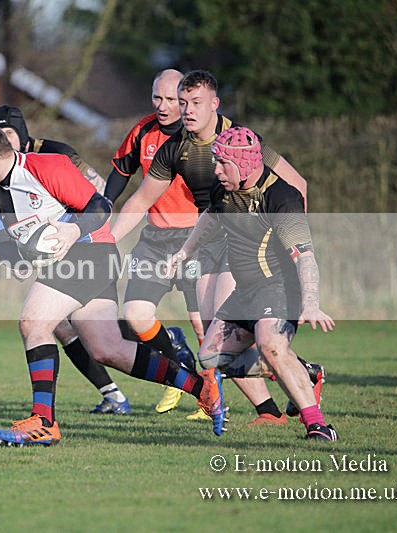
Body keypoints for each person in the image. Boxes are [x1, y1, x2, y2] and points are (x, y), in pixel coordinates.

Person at [0, 122, 226, 445]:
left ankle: (43, 422)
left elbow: (99, 206)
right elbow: (1, 243)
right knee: (107, 349)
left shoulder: (46, 166)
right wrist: (16, 262)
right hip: (69, 262)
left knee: (33, 323)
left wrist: (72, 231)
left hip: (90, 251)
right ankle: (202, 388)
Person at [111, 69, 322, 426]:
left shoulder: (241, 139)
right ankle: (289, 387)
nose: (186, 110)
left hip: (244, 246)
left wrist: (289, 237)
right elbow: (139, 201)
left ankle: (290, 400)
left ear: (214, 104)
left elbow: (296, 183)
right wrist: (106, 240)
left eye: (194, 103)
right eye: (182, 103)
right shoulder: (175, 147)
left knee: (232, 334)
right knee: (214, 340)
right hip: (208, 237)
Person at [168, 125, 338, 441]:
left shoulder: (281, 197)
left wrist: (311, 302)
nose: (216, 171)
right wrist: (184, 251)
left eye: (223, 164)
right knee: (210, 359)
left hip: (279, 288)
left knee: (270, 344)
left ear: (244, 165)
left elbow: (305, 256)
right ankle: (305, 371)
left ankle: (318, 426)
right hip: (244, 292)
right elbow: (210, 215)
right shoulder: (224, 189)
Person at [0, 104, 135, 415]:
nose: (4, 139)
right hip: (53, 253)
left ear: (22, 134)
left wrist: (80, 231)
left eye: (9, 133)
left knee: (71, 329)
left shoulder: (56, 153)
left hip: (86, 245)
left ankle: (149, 339)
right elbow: (0, 232)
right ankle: (112, 393)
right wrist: (20, 256)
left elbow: (98, 195)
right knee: (64, 329)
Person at [104, 69, 206, 415]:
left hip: (195, 238)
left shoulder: (200, 134)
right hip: (154, 239)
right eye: (157, 98)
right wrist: (102, 213)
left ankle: (210, 400)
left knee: (203, 325)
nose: (163, 106)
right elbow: (121, 171)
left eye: (172, 100)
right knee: (135, 315)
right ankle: (180, 370)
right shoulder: (143, 131)